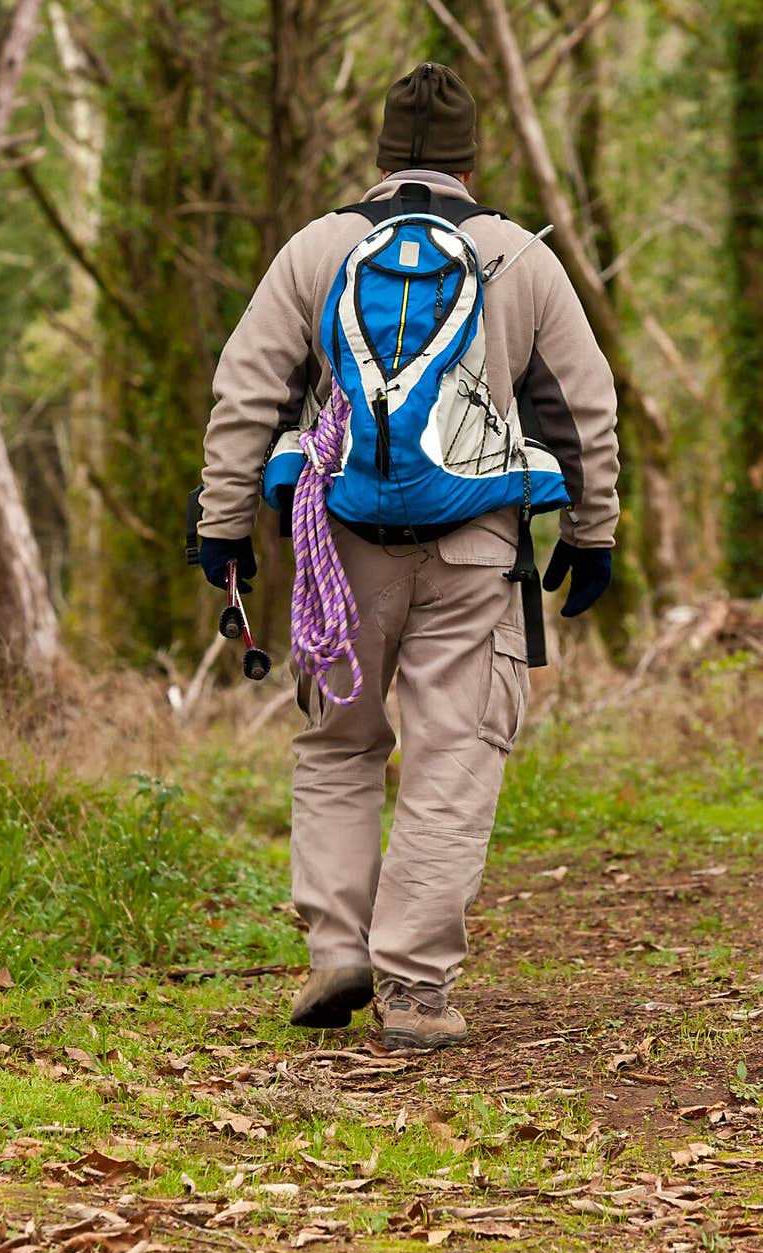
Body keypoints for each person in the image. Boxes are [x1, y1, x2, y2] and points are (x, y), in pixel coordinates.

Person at [197, 62, 619, 1051]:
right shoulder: (520, 257)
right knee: (453, 754)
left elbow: (246, 391)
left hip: (337, 546)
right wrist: (590, 532)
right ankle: (414, 988)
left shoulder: (317, 250)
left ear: (382, 154)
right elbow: (582, 407)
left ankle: (336, 948)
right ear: (473, 158)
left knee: (339, 746)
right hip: (475, 551)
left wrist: (222, 524)